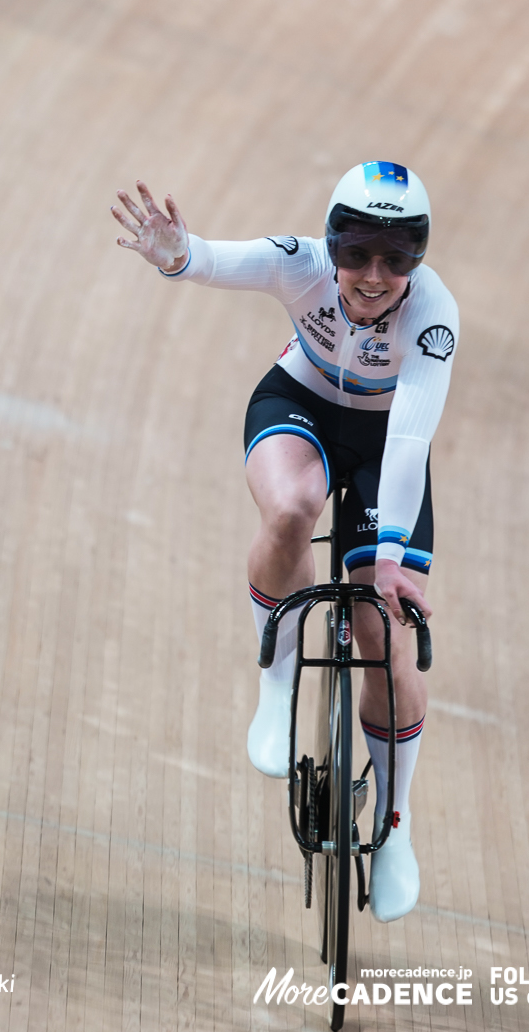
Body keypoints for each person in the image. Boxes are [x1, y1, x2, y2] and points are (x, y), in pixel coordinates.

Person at [110, 162, 458, 923]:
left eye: (396, 258)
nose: (374, 275)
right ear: (332, 245)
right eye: (359, 251)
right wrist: (173, 252)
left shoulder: (433, 316)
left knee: (387, 638)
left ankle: (395, 827)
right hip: (299, 402)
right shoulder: (299, 265)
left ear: (416, 263)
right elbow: (206, 259)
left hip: (382, 448)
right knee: (294, 505)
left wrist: (390, 562)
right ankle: (278, 677)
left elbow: (407, 442)